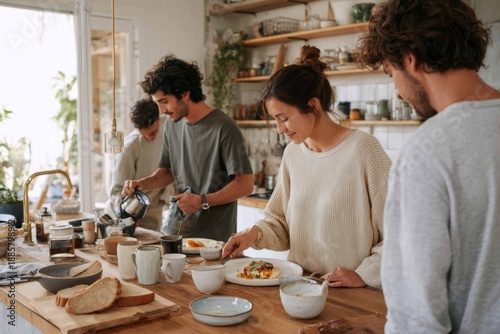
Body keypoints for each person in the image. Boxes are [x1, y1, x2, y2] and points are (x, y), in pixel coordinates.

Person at [357, 0, 500, 332]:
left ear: (410, 59)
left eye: (392, 74)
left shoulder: (427, 153)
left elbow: (416, 317)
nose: (398, 93)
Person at [222, 45, 391, 289]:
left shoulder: (364, 150)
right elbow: (278, 222)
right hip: (298, 287)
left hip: (352, 293)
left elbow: (399, 232)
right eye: (275, 120)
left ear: (312, 105)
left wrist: (364, 275)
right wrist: (253, 234)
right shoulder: (293, 154)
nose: (280, 129)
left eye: (284, 118)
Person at [122, 55, 254, 242]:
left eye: (164, 101)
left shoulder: (224, 128)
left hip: (211, 240)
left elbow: (246, 184)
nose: (161, 111)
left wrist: (202, 201)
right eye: (158, 103)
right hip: (174, 231)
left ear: (185, 94)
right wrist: (141, 184)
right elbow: (167, 172)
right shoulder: (172, 124)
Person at [105, 98, 173, 231]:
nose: (150, 137)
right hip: (129, 216)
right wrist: (127, 216)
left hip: (155, 209)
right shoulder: (129, 149)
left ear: (158, 118)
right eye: (144, 134)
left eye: (153, 132)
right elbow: (116, 192)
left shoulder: (167, 124)